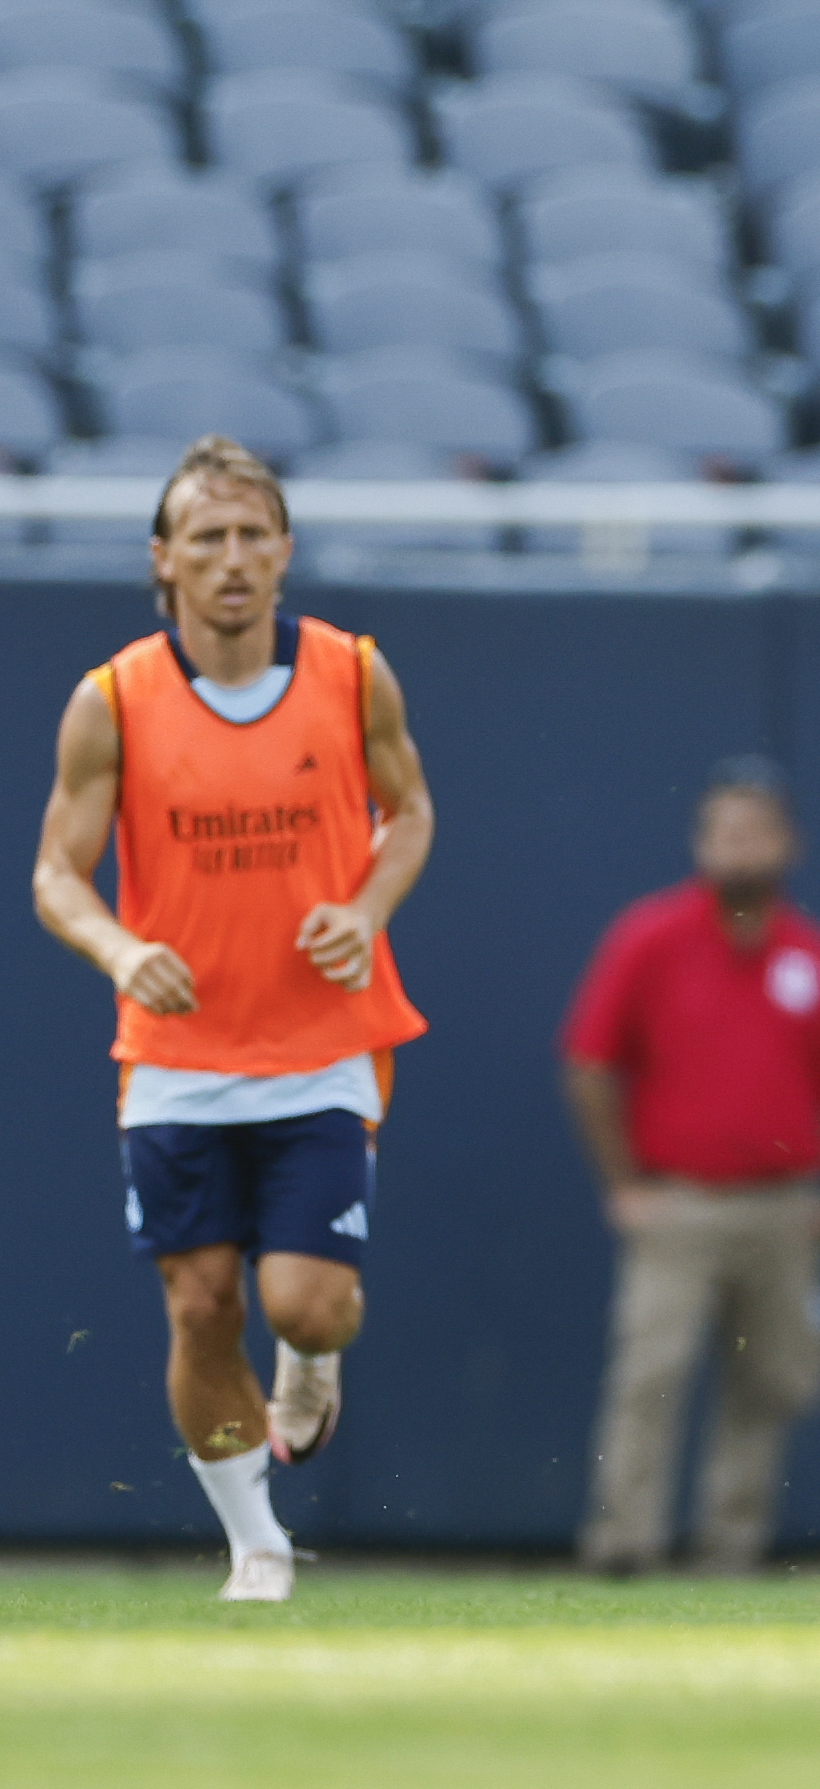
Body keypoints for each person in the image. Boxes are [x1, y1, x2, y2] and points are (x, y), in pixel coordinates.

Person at [30, 436, 436, 1603]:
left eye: (254, 533)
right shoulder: (113, 700)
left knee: (304, 1298)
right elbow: (57, 870)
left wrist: (364, 908)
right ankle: (254, 1539)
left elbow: (408, 813)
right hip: (176, 1058)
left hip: (323, 1040)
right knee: (200, 1304)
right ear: (164, 560)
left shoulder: (352, 674)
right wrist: (119, 944)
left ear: (285, 550)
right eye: (207, 537)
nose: (233, 558)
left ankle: (310, 1363)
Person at [561, 758, 820, 1575]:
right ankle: (623, 1542)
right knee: (650, 1371)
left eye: (756, 832)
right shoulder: (649, 938)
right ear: (700, 841)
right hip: (678, 1203)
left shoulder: (813, 956)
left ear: (787, 844)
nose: (740, 849)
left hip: (783, 1208)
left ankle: (729, 1546)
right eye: (725, 832)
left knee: (770, 1383)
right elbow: (590, 1064)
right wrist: (623, 1184)